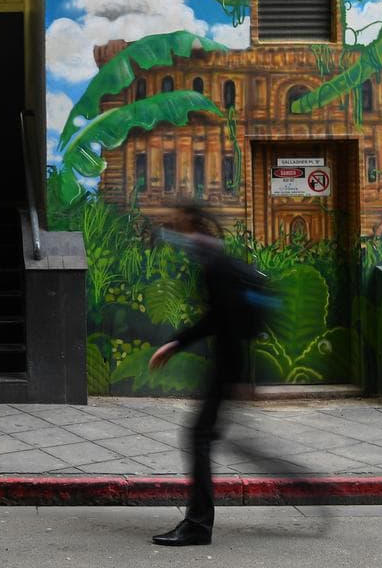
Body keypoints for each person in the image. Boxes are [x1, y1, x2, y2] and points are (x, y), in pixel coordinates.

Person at [148, 203, 272, 547]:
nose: (177, 236)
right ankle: (198, 522)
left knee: (198, 438)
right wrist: (176, 344)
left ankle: (198, 526)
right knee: (203, 437)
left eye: (181, 228)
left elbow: (225, 322)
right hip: (230, 367)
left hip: (228, 368)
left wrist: (238, 378)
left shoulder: (214, 266)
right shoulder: (215, 260)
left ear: (194, 230)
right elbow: (218, 318)